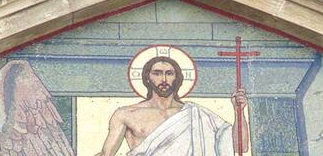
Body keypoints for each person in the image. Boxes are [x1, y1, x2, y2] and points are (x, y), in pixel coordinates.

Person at [96, 56, 248, 155]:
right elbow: (105, 154)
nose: (163, 79)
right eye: (157, 73)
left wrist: (238, 111)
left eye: (169, 73)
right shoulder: (126, 114)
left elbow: (240, 146)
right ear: (147, 78)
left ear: (177, 78)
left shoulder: (197, 114)